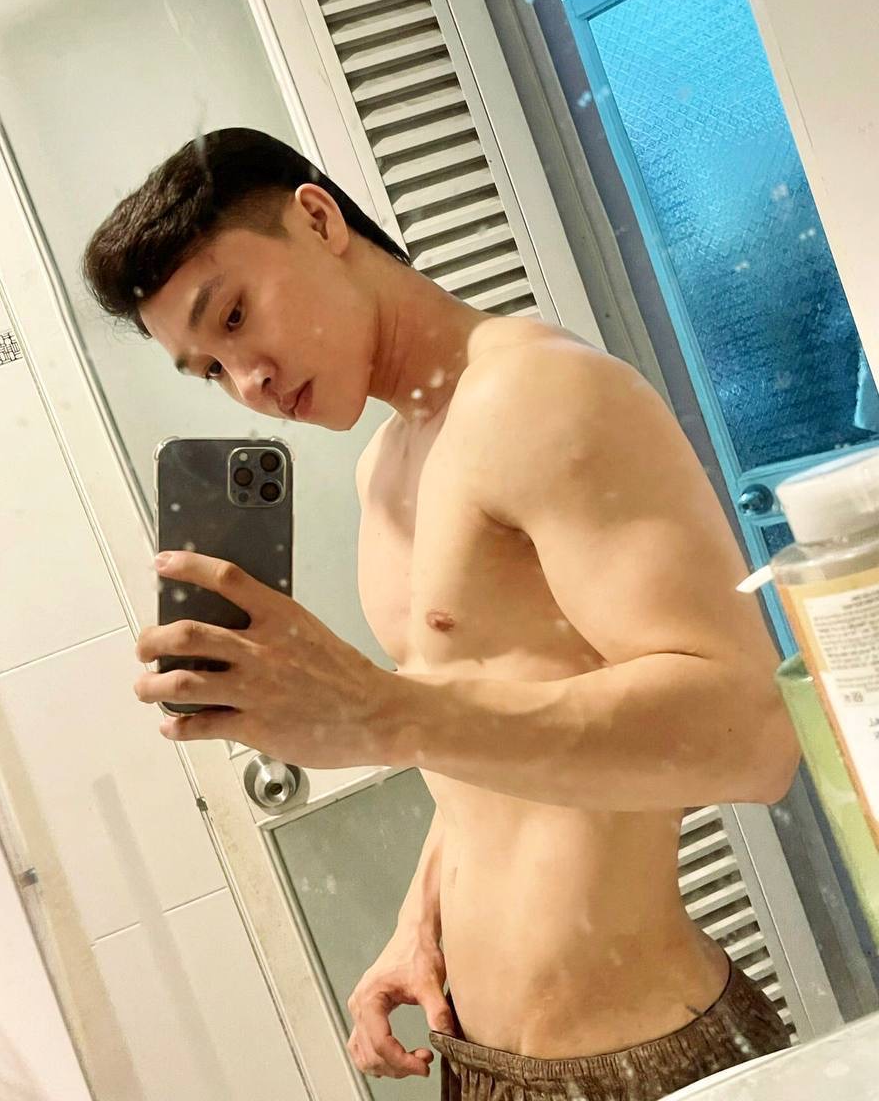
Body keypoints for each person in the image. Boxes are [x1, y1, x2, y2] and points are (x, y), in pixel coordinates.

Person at [84, 129, 800, 1100]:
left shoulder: (538, 392)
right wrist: (421, 920)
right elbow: (487, 738)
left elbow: (753, 736)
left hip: (636, 1061)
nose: (248, 381)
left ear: (318, 219)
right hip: (479, 1058)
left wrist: (385, 713)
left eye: (237, 315)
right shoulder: (385, 469)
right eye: (210, 368)